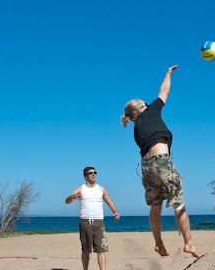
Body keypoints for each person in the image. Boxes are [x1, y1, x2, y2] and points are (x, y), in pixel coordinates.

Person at [120, 65, 200, 258]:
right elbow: (164, 91)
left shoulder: (136, 128)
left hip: (146, 168)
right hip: (161, 163)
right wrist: (167, 74)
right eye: (145, 103)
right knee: (178, 204)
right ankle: (188, 243)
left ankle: (158, 243)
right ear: (140, 109)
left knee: (155, 207)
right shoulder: (149, 112)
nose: (149, 104)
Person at [66, 167, 120, 270]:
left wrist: (115, 212)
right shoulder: (80, 189)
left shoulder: (101, 189)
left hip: (98, 222)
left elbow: (110, 203)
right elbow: (67, 201)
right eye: (90, 173)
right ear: (85, 176)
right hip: (85, 222)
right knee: (86, 250)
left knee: (101, 249)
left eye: (95, 172)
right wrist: (72, 196)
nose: (93, 174)